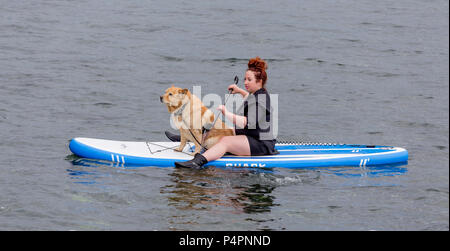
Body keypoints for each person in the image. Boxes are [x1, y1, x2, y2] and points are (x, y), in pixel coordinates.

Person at [174, 57, 278, 169]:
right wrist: (239, 91)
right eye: (245, 79)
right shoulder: (257, 94)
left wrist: (226, 112)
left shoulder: (261, 99)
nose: (245, 82)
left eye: (249, 80)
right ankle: (189, 137)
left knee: (226, 141)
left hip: (261, 144)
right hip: (252, 135)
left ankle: (197, 162)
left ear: (259, 81)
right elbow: (250, 99)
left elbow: (246, 123)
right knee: (222, 129)